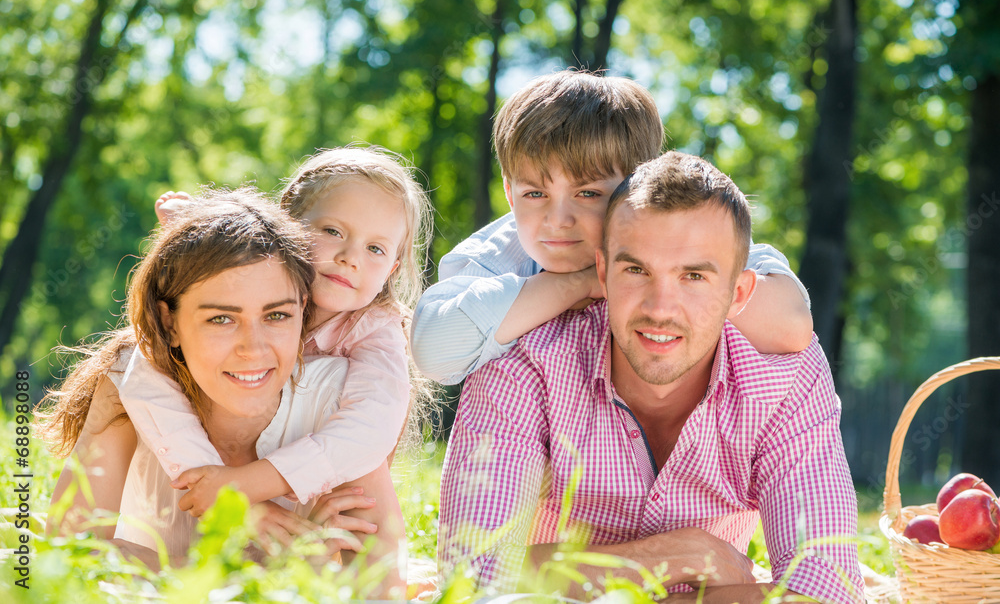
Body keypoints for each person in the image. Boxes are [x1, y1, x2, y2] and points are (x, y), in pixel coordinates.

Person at [438, 152, 864, 604]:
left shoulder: (784, 378)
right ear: (603, 272)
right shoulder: (525, 357)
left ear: (737, 294)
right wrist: (676, 557)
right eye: (636, 270)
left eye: (693, 276)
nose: (660, 308)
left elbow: (828, 590)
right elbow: (470, 576)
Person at [38, 191, 406, 592]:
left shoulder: (341, 404)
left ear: (303, 308)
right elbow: (66, 557)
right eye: (221, 319)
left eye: (277, 315)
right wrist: (281, 571)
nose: (254, 348)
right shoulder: (128, 385)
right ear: (170, 321)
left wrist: (144, 561)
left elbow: (381, 592)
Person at [411, 70, 814, 387]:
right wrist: (580, 284)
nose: (557, 219)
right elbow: (432, 353)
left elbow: (792, 327)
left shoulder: (691, 234)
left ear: (639, 188)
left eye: (587, 194)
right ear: (509, 192)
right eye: (535, 194)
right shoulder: (495, 256)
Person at [112, 147, 432, 517]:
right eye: (332, 231)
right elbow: (144, 375)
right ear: (284, 228)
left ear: (392, 270)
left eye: (375, 248)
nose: (350, 256)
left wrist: (249, 485)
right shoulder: (249, 285)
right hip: (207, 482)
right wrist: (217, 486)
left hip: (311, 491)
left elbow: (368, 433)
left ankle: (374, 570)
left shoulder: (376, 331)